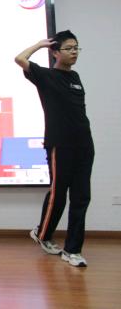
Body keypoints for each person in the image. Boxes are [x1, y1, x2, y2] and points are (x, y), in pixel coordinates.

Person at [15, 30, 94, 267]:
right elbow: (20, 59)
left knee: (82, 197)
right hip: (60, 144)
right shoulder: (45, 75)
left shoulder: (75, 76)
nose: (74, 52)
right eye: (69, 48)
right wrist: (40, 44)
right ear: (56, 52)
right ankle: (43, 234)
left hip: (84, 144)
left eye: (76, 48)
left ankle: (73, 250)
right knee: (58, 194)